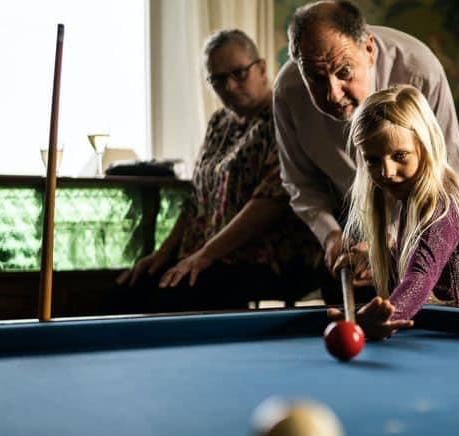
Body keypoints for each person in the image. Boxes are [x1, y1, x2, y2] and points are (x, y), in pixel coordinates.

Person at [113, 29, 320, 313]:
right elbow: (196, 200)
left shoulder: (283, 115)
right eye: (218, 79)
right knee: (128, 289)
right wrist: (162, 255)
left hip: (262, 259)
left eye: (239, 73)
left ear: (261, 68)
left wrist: (203, 256)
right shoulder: (219, 123)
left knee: (169, 299)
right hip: (208, 256)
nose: (230, 86)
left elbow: (269, 203)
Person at [273, 0, 459, 298]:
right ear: (297, 62)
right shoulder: (287, 91)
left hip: (422, 210)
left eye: (344, 72)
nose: (332, 94)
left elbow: (449, 173)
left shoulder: (418, 69)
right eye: (314, 77)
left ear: (369, 50)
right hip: (348, 217)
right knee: (344, 302)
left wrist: (394, 238)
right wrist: (332, 237)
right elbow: (301, 184)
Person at [328, 85, 459, 340]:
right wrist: (372, 256)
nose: (386, 171)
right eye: (373, 160)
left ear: (425, 146)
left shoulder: (443, 207)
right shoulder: (413, 200)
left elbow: (420, 276)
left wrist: (379, 321)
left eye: (400, 156)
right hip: (441, 336)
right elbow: (423, 256)